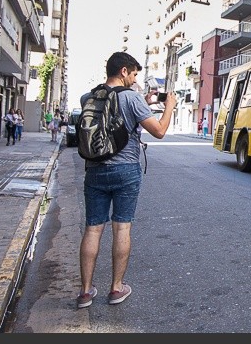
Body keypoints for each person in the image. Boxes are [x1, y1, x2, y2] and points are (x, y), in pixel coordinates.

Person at [76, 51, 177, 309]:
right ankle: (116, 288)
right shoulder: (132, 98)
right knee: (121, 228)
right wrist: (169, 107)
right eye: (133, 74)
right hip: (125, 171)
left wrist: (142, 101)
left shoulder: (89, 97)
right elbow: (160, 131)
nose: (134, 79)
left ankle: (86, 292)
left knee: (93, 229)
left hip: (95, 170)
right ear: (123, 71)